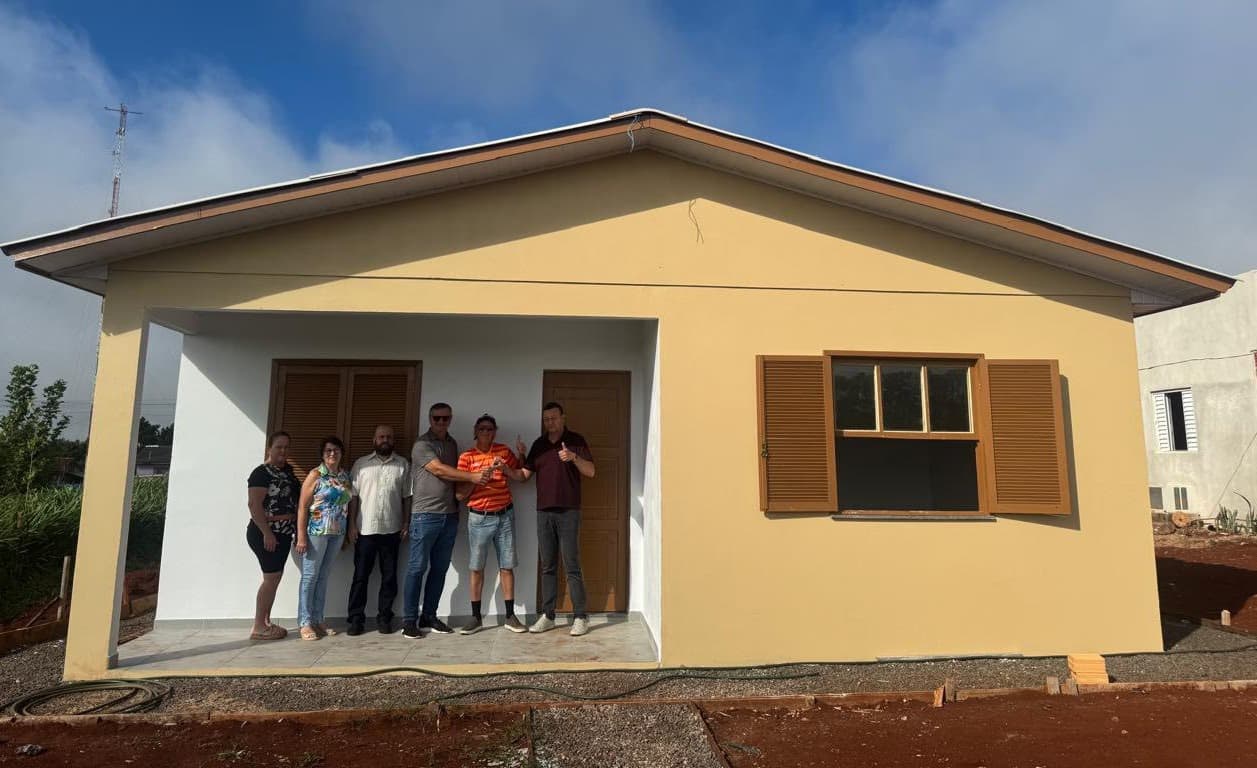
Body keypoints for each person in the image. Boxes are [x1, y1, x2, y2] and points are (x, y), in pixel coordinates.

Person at [402, 403, 494, 640]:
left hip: (449, 516)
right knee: (416, 568)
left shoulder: (452, 444)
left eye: (445, 418)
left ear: (450, 419)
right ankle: (409, 621)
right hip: (424, 515)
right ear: (430, 418)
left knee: (440, 569)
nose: (441, 422)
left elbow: (453, 479)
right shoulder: (421, 445)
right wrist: (474, 476)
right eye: (437, 418)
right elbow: (440, 470)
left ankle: (429, 616)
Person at [515, 402, 596, 637]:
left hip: (569, 511)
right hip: (544, 512)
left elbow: (591, 471)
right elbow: (524, 476)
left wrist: (573, 457)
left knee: (572, 565)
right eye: (546, 419)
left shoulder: (576, 440)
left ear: (563, 417)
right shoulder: (539, 445)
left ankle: (581, 616)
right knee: (548, 565)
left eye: (553, 418)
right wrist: (518, 458)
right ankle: (548, 616)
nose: (550, 422)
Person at [454, 414, 528, 634]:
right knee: (476, 567)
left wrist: (521, 456)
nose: (487, 432)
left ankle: (510, 616)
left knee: (507, 566)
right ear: (475, 431)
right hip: (479, 517)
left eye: (490, 429)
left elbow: (519, 474)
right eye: (482, 429)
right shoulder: (466, 457)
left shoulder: (503, 451)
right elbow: (459, 495)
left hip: (505, 515)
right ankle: (476, 617)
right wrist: (478, 479)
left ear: (495, 431)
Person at [346, 425, 411, 636]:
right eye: (381, 436)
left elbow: (407, 498)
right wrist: (352, 525)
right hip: (365, 530)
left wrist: (406, 523)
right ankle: (356, 619)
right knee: (360, 576)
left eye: (389, 437)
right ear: (374, 439)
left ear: (393, 441)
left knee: (389, 578)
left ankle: (385, 618)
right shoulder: (361, 464)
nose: (385, 440)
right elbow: (353, 497)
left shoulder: (402, 465)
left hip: (392, 530)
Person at [295, 436, 354, 641]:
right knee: (310, 577)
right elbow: (303, 507)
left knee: (323, 577)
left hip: (337, 533)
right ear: (322, 453)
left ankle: (318, 619)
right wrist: (301, 536)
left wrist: (348, 531)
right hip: (316, 533)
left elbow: (348, 504)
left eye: (336, 450)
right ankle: (304, 622)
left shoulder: (345, 476)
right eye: (328, 450)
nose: (332, 454)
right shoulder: (315, 475)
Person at [245, 431, 299, 641]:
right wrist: (267, 533)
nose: (283, 451)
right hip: (266, 532)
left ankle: (266, 622)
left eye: (286, 447)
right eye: (279, 447)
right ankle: (258, 625)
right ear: (270, 448)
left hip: (284, 532)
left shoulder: (288, 472)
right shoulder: (261, 473)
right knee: (270, 578)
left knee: (275, 578)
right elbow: (254, 504)